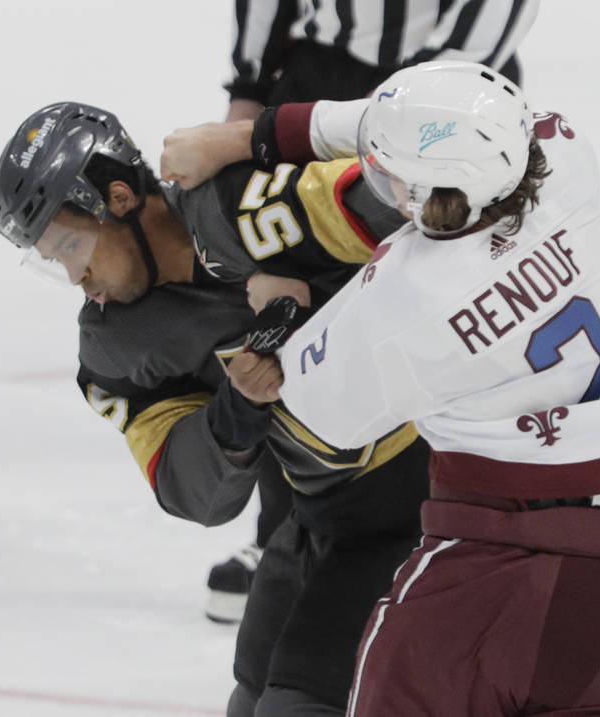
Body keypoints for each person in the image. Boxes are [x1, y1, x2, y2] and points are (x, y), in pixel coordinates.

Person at [162, 60, 600, 715]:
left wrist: (277, 301)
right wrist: (250, 138)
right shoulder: (563, 160)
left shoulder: (402, 300)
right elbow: (427, 128)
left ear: (417, 192)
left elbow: (306, 411)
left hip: (483, 589)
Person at [0, 101, 427, 716]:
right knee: (250, 701)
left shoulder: (244, 206)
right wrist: (238, 409)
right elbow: (197, 495)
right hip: (325, 518)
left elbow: (429, 182)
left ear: (119, 198)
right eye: (53, 258)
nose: (75, 278)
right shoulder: (117, 345)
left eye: (70, 244)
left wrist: (262, 140)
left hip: (439, 498)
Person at [211, 0, 543, 621]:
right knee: (296, 309)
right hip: (317, 82)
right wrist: (249, 92)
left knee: (440, 311)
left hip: (452, 103)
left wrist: (427, 121)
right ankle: (286, 540)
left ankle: (444, 531)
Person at [226, 0, 542, 122]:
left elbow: (489, 19)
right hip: (318, 73)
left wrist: (402, 95)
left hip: (450, 87)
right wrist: (249, 89)